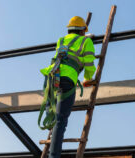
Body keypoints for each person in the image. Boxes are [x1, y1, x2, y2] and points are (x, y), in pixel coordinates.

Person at [40, 16, 96, 158]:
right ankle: (54, 156)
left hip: (51, 77)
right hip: (66, 80)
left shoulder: (61, 40)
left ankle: (49, 116)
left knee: (52, 115)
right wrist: (87, 79)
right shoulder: (86, 41)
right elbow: (89, 64)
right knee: (60, 121)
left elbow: (67, 53)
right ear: (83, 30)